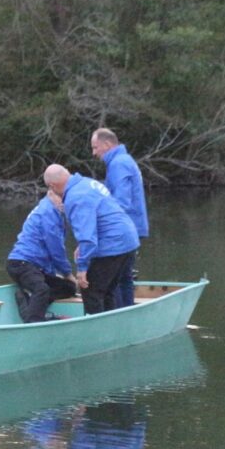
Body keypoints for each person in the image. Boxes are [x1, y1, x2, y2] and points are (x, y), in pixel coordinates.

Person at [45, 163, 139, 315]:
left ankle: (96, 332)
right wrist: (82, 247)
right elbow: (99, 219)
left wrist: (82, 268)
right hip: (128, 239)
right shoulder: (87, 183)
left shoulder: (75, 197)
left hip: (113, 244)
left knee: (89, 289)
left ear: (52, 186)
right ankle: (112, 326)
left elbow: (87, 237)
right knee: (108, 289)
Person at [91, 128, 148, 308]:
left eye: (95, 147)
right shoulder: (124, 160)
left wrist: (103, 225)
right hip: (132, 227)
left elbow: (121, 201)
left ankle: (118, 314)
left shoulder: (118, 164)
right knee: (125, 277)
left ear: (107, 144)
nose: (94, 153)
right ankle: (127, 311)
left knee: (114, 278)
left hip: (122, 229)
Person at [6, 188, 76, 322]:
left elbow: (46, 251)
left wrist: (54, 273)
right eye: (61, 197)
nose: (64, 202)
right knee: (41, 289)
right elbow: (55, 249)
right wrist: (67, 274)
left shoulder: (53, 211)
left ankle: (30, 303)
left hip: (35, 266)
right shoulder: (48, 213)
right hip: (21, 263)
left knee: (68, 288)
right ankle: (33, 321)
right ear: (50, 193)